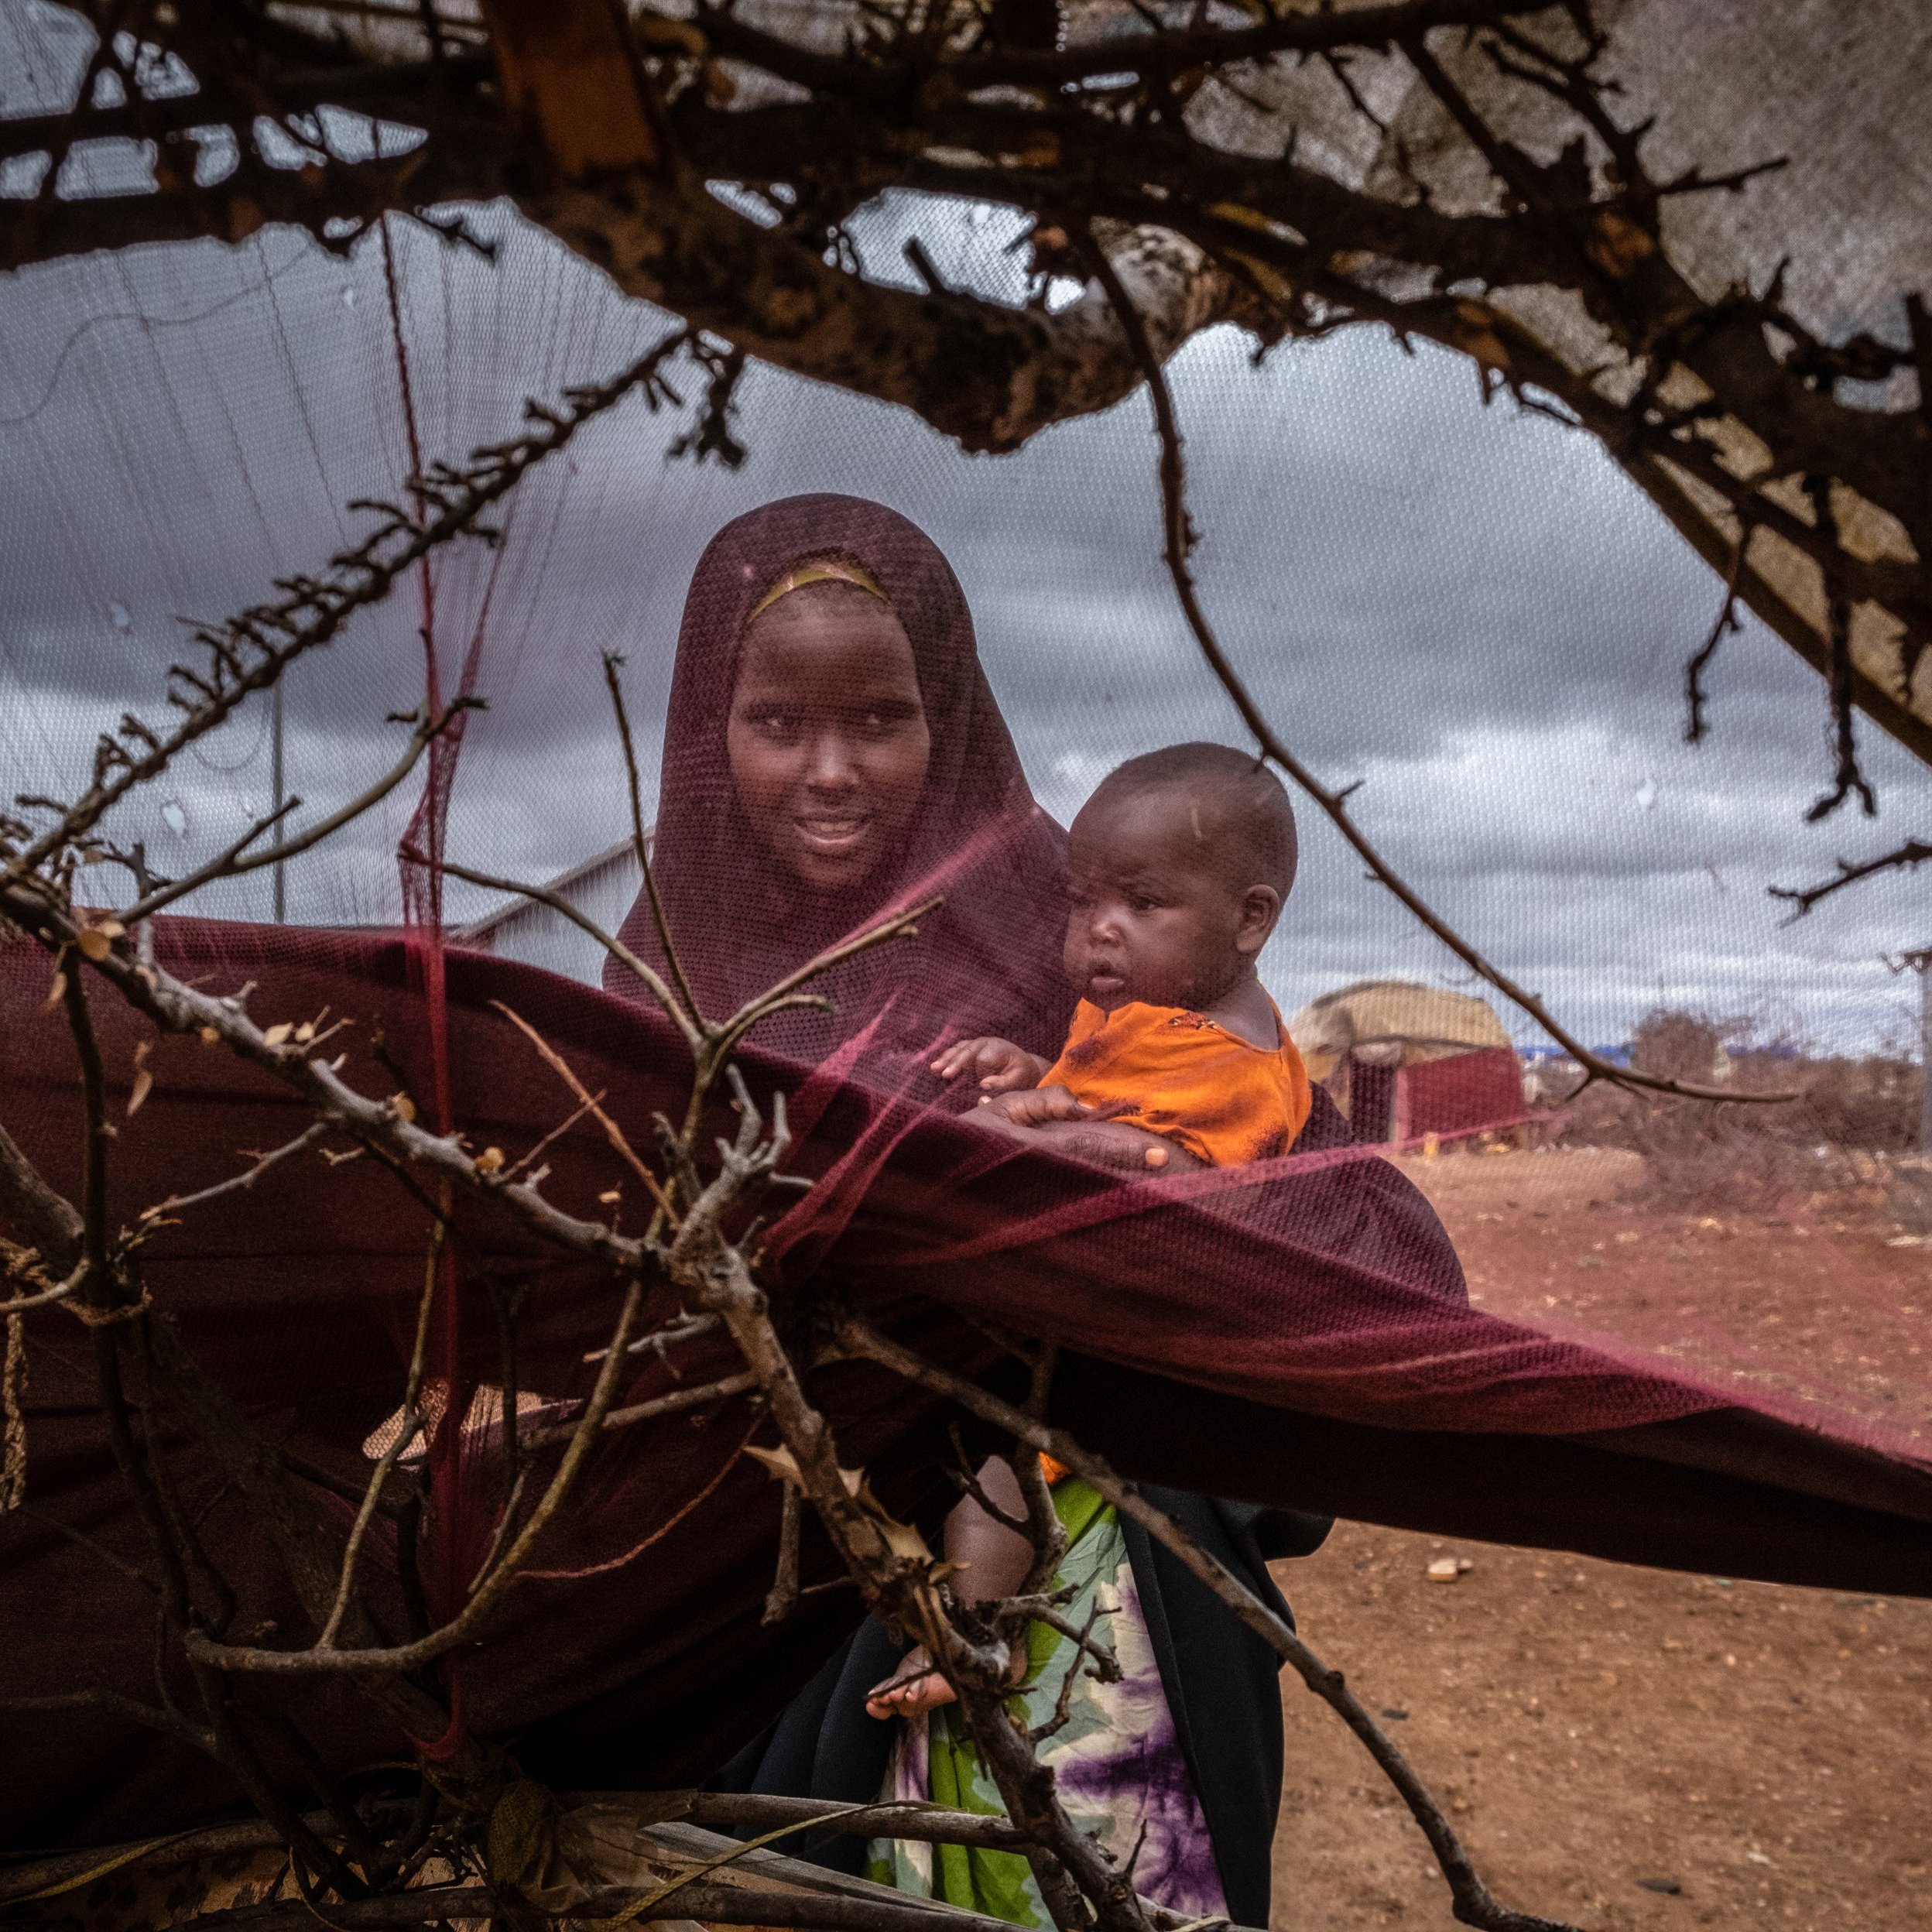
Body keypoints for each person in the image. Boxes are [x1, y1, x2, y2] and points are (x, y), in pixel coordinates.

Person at [639, 500, 1330, 1928]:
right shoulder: (662, 956)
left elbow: (1254, 1196)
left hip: (1102, 1572)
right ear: (712, 725)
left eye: (883, 720)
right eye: (777, 723)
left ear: (946, 714)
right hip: (761, 1577)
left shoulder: (1074, 922)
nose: (831, 772)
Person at [932, 742, 1311, 1175]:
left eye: (1143, 902)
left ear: (1249, 919)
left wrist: (995, 1135)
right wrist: (1034, 1075)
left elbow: (1162, 1168)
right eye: (1082, 899)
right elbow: (1100, 1099)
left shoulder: (1220, 1061)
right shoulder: (1158, 1010)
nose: (1100, 928)